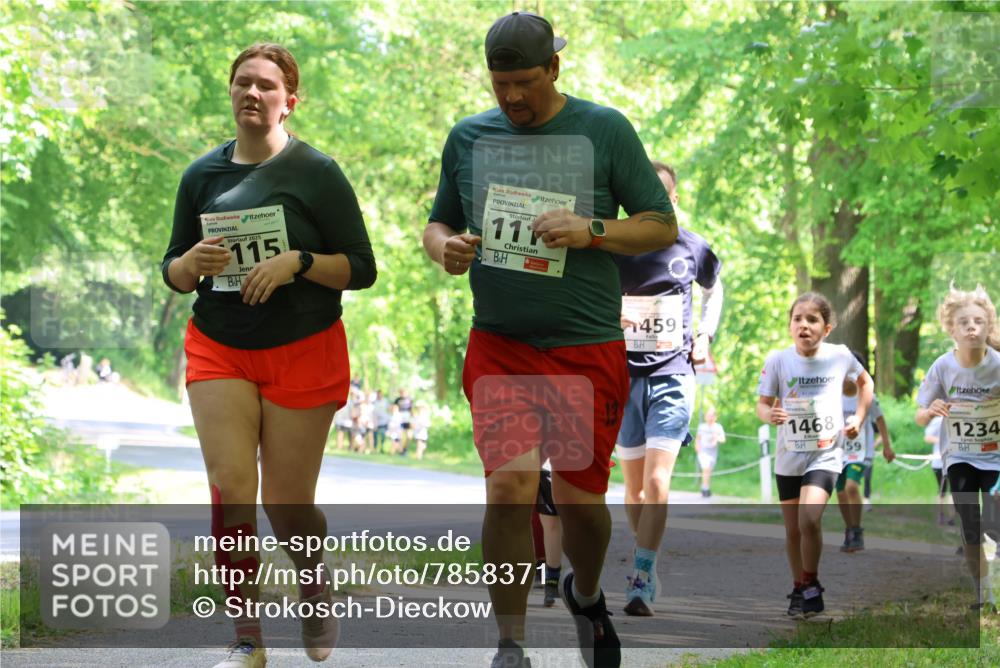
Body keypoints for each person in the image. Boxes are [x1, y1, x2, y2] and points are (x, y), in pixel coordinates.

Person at [422, 11, 677, 668]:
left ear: (554, 69)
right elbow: (438, 221)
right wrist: (444, 248)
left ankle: (584, 595)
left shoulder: (604, 130)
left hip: (583, 346)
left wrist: (593, 230)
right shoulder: (469, 137)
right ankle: (510, 644)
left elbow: (658, 225)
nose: (511, 97)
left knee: (579, 504)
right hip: (501, 344)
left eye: (526, 82)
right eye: (500, 83)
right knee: (508, 488)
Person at [161, 43, 376, 668]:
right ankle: (247, 638)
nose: (252, 93)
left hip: (302, 349)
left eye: (266, 86)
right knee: (231, 490)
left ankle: (314, 586)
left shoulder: (317, 173)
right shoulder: (201, 176)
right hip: (219, 345)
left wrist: (298, 263)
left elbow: (361, 268)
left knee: (286, 503)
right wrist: (186, 264)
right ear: (230, 92)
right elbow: (173, 268)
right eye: (242, 83)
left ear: (289, 101)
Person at [614, 161, 723, 617]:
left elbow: (715, 288)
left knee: (659, 482)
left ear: (673, 200)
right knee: (634, 491)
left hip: (674, 374)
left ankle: (640, 575)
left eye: (658, 196)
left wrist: (704, 334)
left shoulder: (691, 246)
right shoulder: (613, 245)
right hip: (623, 377)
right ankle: (649, 560)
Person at [756, 292, 871, 618]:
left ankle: (811, 582)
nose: (804, 325)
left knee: (810, 518)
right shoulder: (778, 360)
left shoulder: (840, 356)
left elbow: (866, 383)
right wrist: (769, 415)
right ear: (790, 325)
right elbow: (762, 404)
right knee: (793, 530)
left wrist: (858, 418)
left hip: (825, 454)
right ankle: (799, 586)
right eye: (797, 319)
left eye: (812, 319)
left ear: (827, 327)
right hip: (789, 455)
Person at [916, 284, 1000, 610]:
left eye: (978, 321)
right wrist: (932, 409)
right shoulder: (942, 366)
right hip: (960, 455)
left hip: (994, 456)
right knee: (970, 524)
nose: (972, 328)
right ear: (952, 328)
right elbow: (920, 416)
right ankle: (984, 594)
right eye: (964, 322)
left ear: (988, 326)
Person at [835, 352, 894, 553]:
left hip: (861, 452)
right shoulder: (832, 396)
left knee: (852, 487)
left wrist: (887, 445)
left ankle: (857, 530)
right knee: (841, 492)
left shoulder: (867, 396)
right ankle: (849, 529)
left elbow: (880, 420)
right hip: (838, 451)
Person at [925, 416, 956, 525]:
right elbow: (927, 437)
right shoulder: (938, 421)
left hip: (954, 461)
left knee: (954, 490)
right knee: (942, 490)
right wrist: (943, 440)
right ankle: (941, 514)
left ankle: (951, 517)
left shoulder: (958, 418)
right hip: (939, 462)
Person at [695, 408, 726, 498]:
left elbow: (723, 439)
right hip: (703, 450)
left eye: (712, 416)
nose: (710, 417)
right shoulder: (702, 426)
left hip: (713, 451)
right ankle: (705, 489)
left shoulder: (718, 427)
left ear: (715, 417)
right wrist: (697, 447)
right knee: (706, 468)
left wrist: (716, 438)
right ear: (705, 417)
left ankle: (705, 487)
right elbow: (698, 438)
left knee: (709, 470)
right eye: (708, 415)